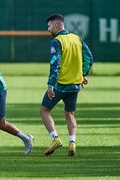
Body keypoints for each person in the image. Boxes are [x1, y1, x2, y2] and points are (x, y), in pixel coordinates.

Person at [40, 14, 93, 156]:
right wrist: (83, 74)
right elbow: (89, 57)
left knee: (44, 110)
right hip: (75, 84)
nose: (48, 29)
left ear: (57, 26)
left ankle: (55, 139)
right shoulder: (77, 38)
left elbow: (55, 64)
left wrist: (51, 84)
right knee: (69, 114)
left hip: (60, 84)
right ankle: (72, 143)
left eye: (50, 26)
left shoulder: (57, 41)